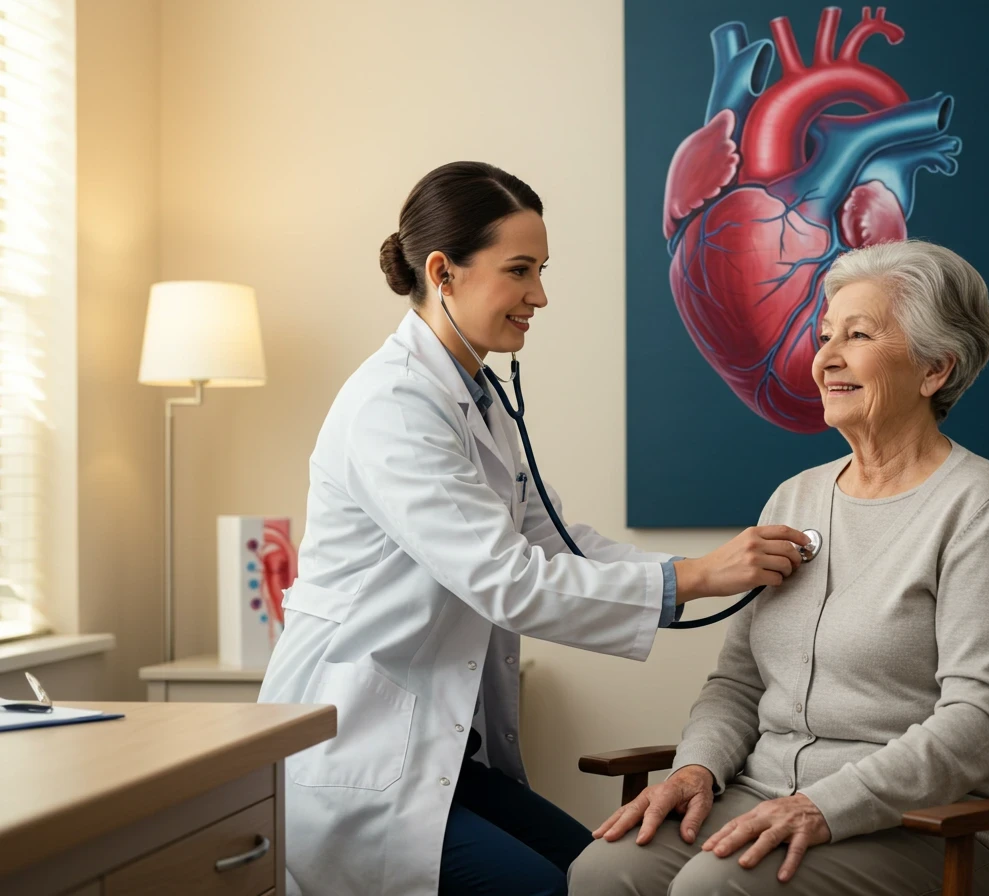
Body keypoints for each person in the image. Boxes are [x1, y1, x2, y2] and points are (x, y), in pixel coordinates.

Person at [257, 161, 811, 896]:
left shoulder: (477, 396)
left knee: (595, 871)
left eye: (541, 270)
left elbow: (553, 543)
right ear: (442, 273)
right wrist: (700, 576)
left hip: (437, 754)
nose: (539, 296)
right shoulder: (390, 407)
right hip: (360, 753)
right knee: (554, 888)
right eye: (519, 271)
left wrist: (710, 564)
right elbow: (506, 581)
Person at [569, 240, 989, 896]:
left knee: (714, 889)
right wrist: (696, 768)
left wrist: (827, 806)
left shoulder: (983, 505)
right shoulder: (794, 496)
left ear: (935, 368)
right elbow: (737, 683)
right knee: (603, 873)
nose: (826, 358)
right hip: (765, 793)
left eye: (858, 335)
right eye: (825, 336)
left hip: (932, 824)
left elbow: (980, 716)